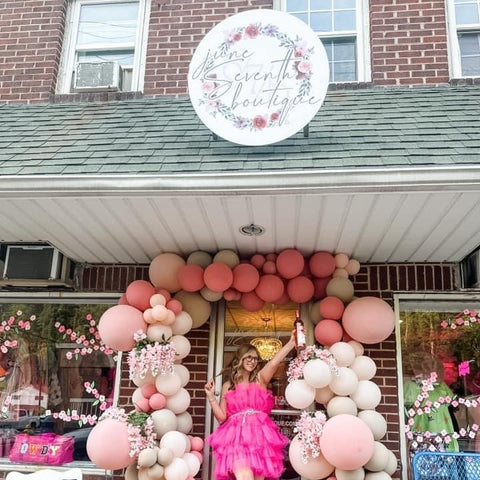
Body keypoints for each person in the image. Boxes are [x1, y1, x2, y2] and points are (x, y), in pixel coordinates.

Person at [204, 332, 296, 480]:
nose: (252, 361)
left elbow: (274, 362)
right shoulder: (228, 386)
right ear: (239, 359)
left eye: (255, 358)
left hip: (260, 439)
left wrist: (291, 342)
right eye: (249, 357)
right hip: (236, 441)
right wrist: (211, 398)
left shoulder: (260, 379)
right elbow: (221, 418)